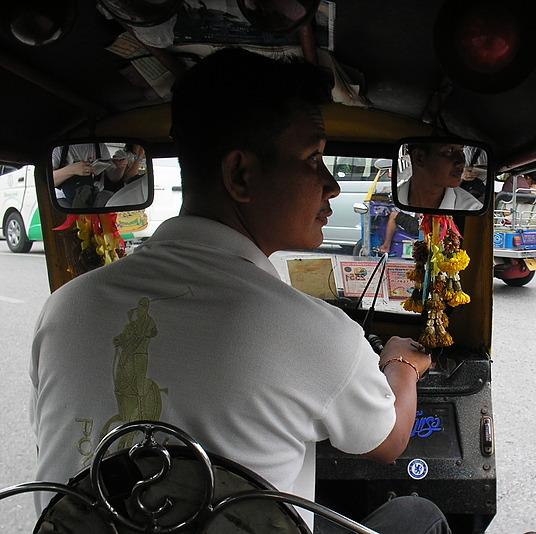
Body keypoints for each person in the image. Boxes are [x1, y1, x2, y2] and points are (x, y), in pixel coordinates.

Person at [30, 48, 449, 533]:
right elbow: (389, 441)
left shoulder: (64, 307)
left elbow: (54, 466)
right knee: (419, 514)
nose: (332, 186)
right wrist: (402, 363)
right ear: (241, 175)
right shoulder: (311, 330)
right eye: (314, 158)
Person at [396, 142, 483, 210]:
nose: (461, 162)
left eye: (461, 151)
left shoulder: (472, 208)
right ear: (419, 157)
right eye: (450, 151)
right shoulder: (391, 201)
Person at [52, 143, 124, 208]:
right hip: (64, 198)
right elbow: (50, 181)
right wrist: (73, 170)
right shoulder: (58, 148)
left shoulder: (99, 146)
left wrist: (121, 166)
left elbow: (114, 178)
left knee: (108, 196)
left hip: (95, 196)